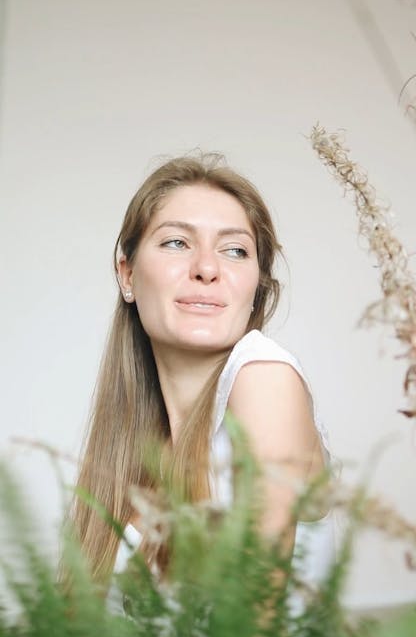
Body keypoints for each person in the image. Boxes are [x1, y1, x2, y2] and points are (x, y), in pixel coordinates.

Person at [73, 153, 335, 603]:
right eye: (177, 242)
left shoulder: (263, 379)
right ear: (128, 274)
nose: (207, 268)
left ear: (256, 290)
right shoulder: (132, 450)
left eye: (235, 250)